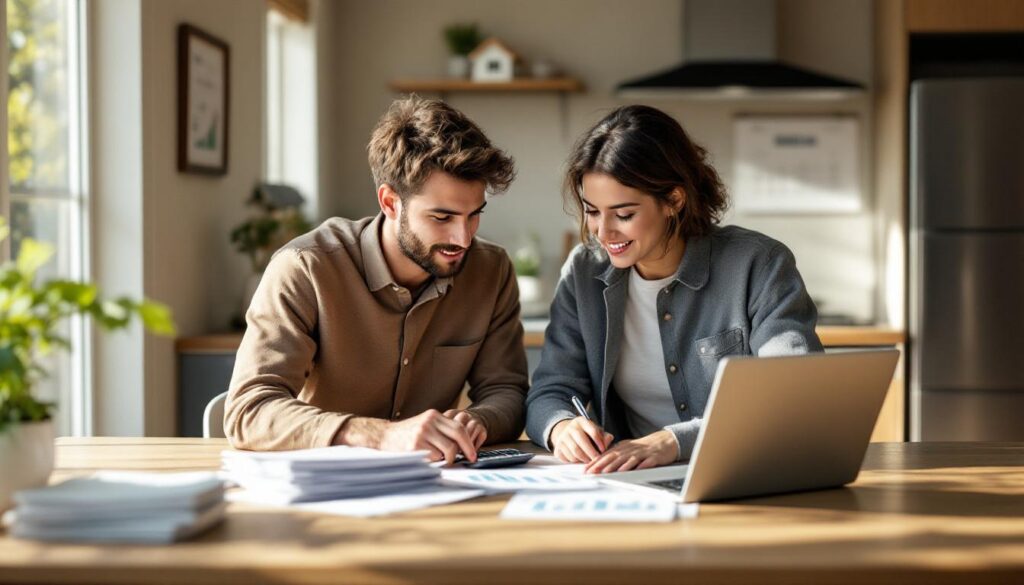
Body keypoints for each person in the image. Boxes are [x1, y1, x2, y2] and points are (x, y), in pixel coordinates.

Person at [226, 96, 528, 464]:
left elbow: (507, 392)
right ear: (389, 202)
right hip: (322, 486)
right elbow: (249, 410)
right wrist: (380, 435)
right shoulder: (305, 268)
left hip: (437, 485)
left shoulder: (490, 270)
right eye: (442, 217)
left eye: (473, 215)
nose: (463, 238)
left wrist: (476, 421)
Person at [525, 105, 823, 474]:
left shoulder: (758, 264)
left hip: (741, 474)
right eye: (592, 211)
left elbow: (791, 394)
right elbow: (549, 391)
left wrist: (674, 440)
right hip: (627, 483)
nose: (604, 232)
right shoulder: (584, 272)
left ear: (674, 201)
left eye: (623, 214)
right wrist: (561, 426)